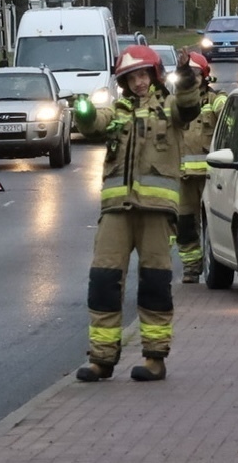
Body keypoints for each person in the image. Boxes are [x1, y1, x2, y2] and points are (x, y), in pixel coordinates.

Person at [73, 44, 200, 383]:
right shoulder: (117, 111)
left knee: (155, 284)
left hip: (157, 212)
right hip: (116, 210)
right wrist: (83, 112)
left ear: (154, 76)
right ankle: (101, 358)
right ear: (124, 82)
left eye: (143, 75)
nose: (139, 83)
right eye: (132, 78)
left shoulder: (169, 108)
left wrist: (186, 75)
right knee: (102, 281)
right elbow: (93, 126)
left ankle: (154, 358)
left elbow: (190, 106)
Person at [175, 52, 226, 284]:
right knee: (185, 225)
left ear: (204, 76)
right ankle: (191, 269)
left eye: (195, 74)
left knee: (213, 224)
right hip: (184, 179)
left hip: (210, 177)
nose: (192, 78)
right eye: (188, 74)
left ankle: (217, 265)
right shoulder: (175, 104)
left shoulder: (214, 100)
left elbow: (228, 116)